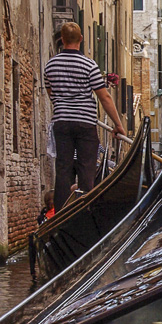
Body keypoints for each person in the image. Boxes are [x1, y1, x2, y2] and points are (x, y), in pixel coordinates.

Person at [44, 22, 127, 210]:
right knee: (86, 169)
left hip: (62, 121)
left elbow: (51, 92)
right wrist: (118, 124)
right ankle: (84, 211)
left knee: (63, 169)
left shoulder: (51, 65)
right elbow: (104, 97)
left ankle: (61, 214)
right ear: (81, 39)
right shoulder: (89, 64)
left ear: (62, 39)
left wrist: (63, 106)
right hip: (85, 123)